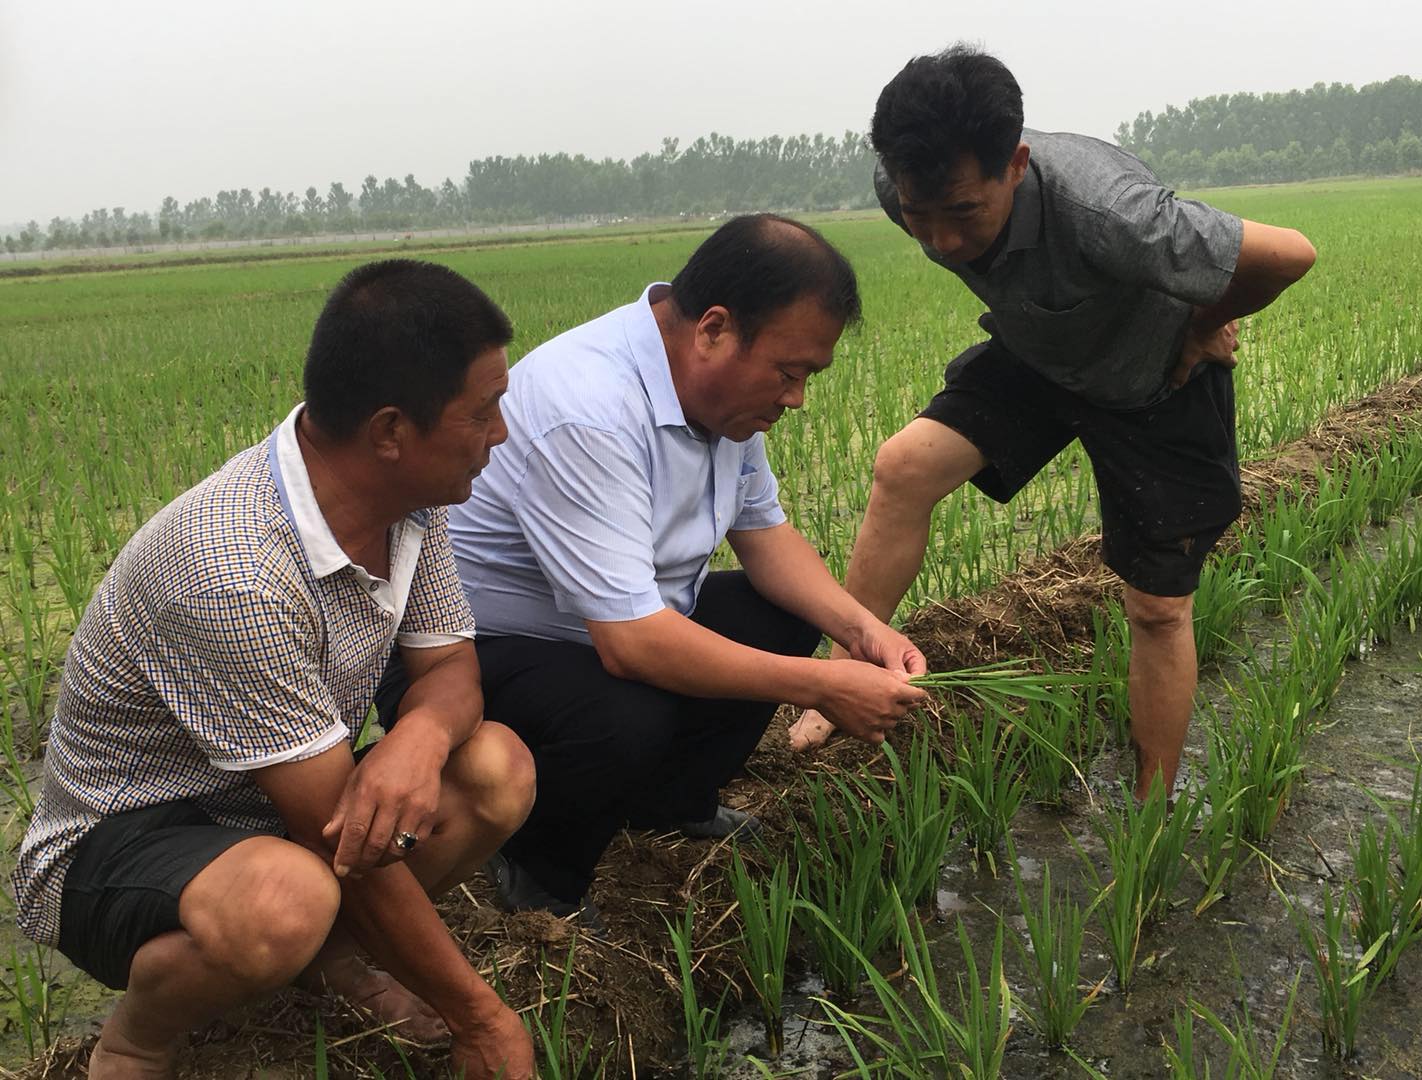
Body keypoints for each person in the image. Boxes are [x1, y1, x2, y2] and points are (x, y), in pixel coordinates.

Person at [12, 260, 536, 1080]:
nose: (499, 433)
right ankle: (136, 1042)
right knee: (286, 898)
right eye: (483, 412)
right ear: (391, 431)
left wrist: (422, 734)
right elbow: (337, 829)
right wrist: (485, 1022)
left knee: (493, 767)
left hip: (277, 813)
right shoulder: (233, 570)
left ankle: (332, 962)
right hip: (120, 843)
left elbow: (451, 667)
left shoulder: (411, 505)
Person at [788, 45, 1316, 799]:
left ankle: (1149, 814)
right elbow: (937, 214)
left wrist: (1207, 321)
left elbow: (1292, 254)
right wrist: (941, 216)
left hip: (1153, 382)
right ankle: (843, 676)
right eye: (920, 216)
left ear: (1017, 164)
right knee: (904, 468)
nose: (939, 240)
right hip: (1041, 353)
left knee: (1159, 608)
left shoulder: (1112, 215)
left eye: (962, 214)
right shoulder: (898, 183)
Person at [376, 214, 929, 925]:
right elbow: (631, 644)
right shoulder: (590, 406)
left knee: (783, 614)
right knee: (626, 710)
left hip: (612, 631)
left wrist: (863, 631)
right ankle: (541, 874)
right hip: (475, 661)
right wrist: (822, 684)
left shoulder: (724, 403)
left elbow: (765, 535)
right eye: (788, 374)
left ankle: (670, 804)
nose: (795, 398)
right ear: (714, 330)